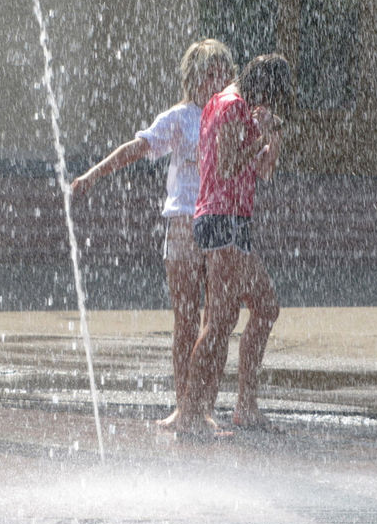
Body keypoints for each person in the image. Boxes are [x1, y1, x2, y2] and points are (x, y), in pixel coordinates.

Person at [70, 39, 236, 428]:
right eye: (210, 72)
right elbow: (137, 147)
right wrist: (94, 175)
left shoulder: (230, 115)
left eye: (222, 72)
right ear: (193, 77)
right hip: (183, 223)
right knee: (186, 320)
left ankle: (205, 407)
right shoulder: (180, 118)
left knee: (218, 320)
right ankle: (183, 405)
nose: (217, 79)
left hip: (222, 224)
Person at [177, 53, 292, 437]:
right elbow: (227, 166)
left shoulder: (238, 107)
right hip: (221, 219)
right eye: (271, 97)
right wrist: (259, 135)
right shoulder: (230, 106)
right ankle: (192, 414)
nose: (269, 105)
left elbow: (264, 170)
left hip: (234, 221)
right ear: (260, 86)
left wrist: (271, 136)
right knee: (220, 321)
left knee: (264, 307)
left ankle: (243, 406)